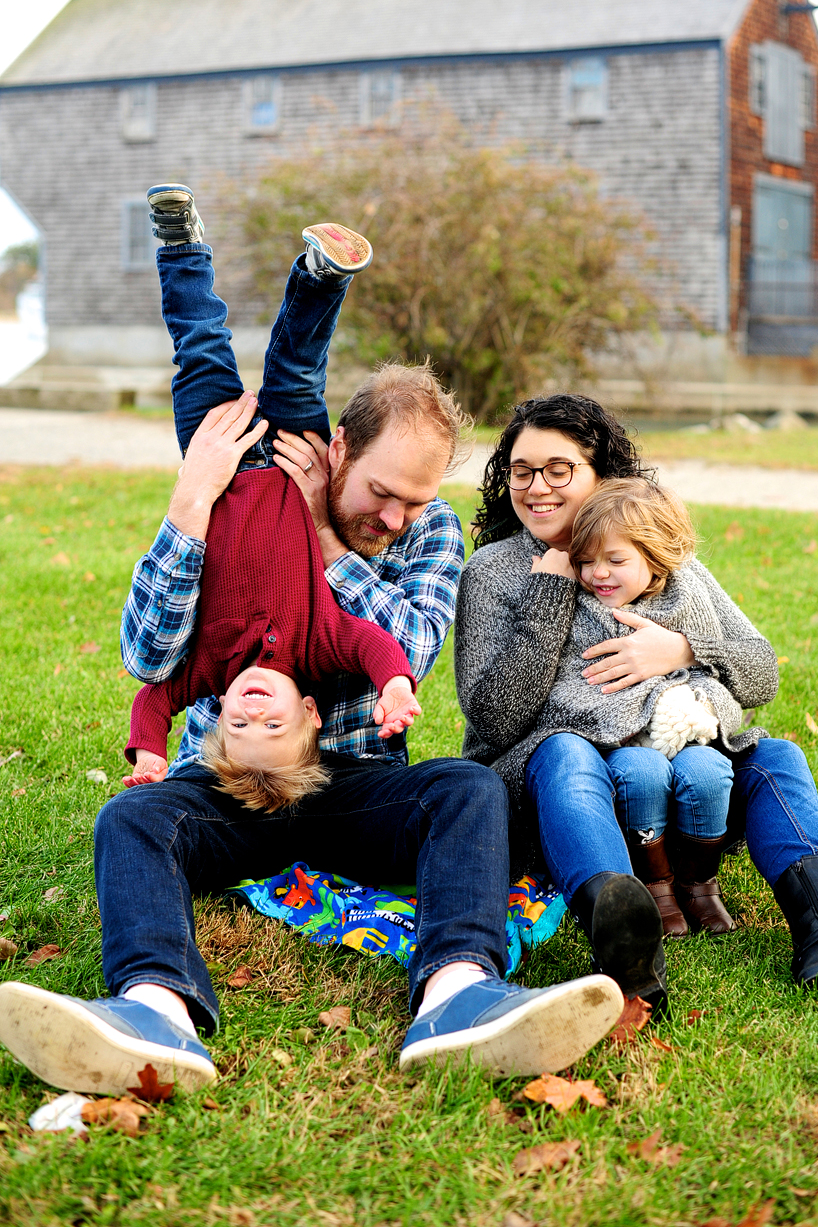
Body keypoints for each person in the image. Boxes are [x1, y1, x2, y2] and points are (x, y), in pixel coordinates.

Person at [0, 191, 626, 1097]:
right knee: (132, 818)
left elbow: (402, 640)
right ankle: (156, 1010)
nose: (397, 516)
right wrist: (188, 505)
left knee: (467, 787)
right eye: (380, 491)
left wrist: (326, 542)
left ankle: (459, 993)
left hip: (354, 784)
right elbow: (149, 656)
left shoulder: (431, 532)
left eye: (416, 498)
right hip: (234, 776)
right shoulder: (228, 499)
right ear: (336, 448)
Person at [455, 393, 818, 994]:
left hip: (682, 794)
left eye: (559, 470)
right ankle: (623, 934)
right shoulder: (494, 571)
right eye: (522, 470)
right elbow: (492, 720)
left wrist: (685, 650)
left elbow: (762, 673)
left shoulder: (669, 563)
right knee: (566, 750)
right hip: (564, 793)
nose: (537, 487)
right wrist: (550, 597)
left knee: (777, 758)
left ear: (600, 475)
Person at [122, 211, 420, 813]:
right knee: (297, 367)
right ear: (309, 715)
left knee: (200, 351)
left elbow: (153, 697)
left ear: (219, 718)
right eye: (272, 729)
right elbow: (377, 645)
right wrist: (394, 686)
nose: (252, 713)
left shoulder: (207, 669)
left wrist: (149, 750)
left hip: (218, 457)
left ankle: (181, 248)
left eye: (237, 729)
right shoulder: (318, 645)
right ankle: (322, 276)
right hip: (296, 457)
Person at [501, 475, 777, 937]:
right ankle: (657, 886)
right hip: (618, 745)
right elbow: (570, 692)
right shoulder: (576, 604)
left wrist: (687, 660)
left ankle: (699, 884)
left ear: (656, 557)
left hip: (692, 736)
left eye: (615, 560)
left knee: (709, 774)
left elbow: (748, 674)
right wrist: (639, 713)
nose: (598, 574)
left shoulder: (689, 596)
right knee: (642, 773)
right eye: (586, 562)